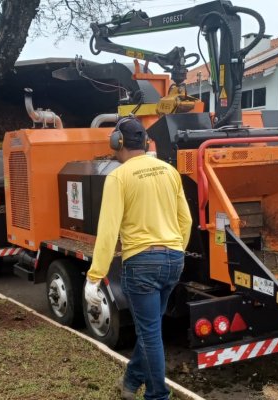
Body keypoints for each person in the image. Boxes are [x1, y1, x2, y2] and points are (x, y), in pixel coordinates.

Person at [84, 117, 192, 400]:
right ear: (145, 142)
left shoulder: (118, 177)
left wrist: (95, 277)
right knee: (151, 328)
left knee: (149, 334)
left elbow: (108, 232)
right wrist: (177, 250)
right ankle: (131, 382)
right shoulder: (170, 172)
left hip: (141, 264)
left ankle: (157, 395)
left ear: (117, 142)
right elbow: (186, 220)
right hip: (173, 260)